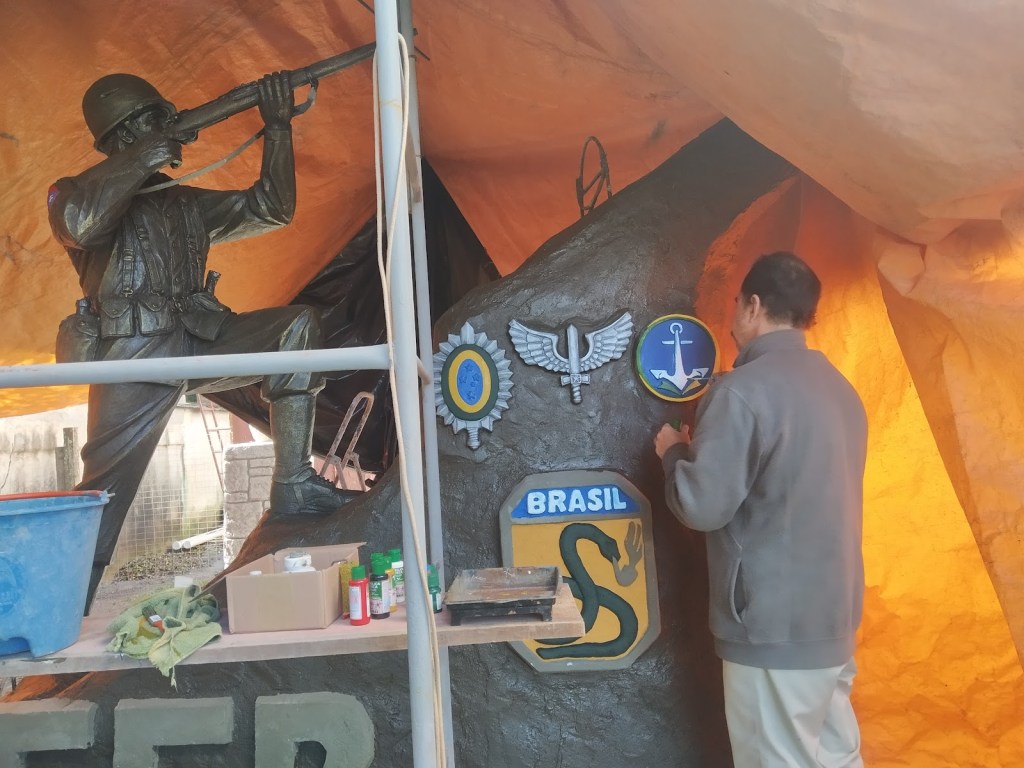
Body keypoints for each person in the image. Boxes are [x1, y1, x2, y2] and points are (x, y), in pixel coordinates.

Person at [48, 71, 359, 610]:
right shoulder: (73, 191)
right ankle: (60, 606)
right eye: (154, 120)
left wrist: (277, 127)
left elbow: (271, 207)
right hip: (133, 354)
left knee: (297, 327)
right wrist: (147, 156)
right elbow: (80, 225)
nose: (169, 125)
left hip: (199, 337)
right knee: (103, 494)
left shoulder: (184, 202)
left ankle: (292, 483)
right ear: (124, 135)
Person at [654, 251, 867, 767]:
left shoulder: (742, 392)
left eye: (734, 305)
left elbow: (702, 506)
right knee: (838, 758)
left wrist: (674, 455)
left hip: (771, 628)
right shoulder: (841, 389)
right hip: (833, 621)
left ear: (752, 305)